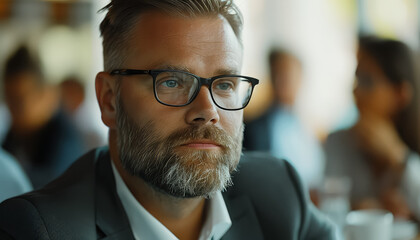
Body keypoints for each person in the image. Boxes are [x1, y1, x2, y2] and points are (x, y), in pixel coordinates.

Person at [0, 1, 335, 239]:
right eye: (172, 81)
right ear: (109, 100)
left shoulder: (278, 192)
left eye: (226, 84)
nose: (208, 110)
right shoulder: (39, 230)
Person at [325, 36, 420, 220]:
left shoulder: (410, 152)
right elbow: (330, 205)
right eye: (356, 80)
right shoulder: (338, 142)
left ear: (401, 94)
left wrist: (398, 158)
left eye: (367, 81)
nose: (356, 92)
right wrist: (365, 208)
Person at [1, 46, 85, 189]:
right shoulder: (17, 133)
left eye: (19, 101)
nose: (12, 110)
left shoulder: (65, 136)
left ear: (46, 95)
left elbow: (53, 183)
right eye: (9, 100)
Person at [243, 49, 325, 188]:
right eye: (277, 75)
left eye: (288, 76)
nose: (281, 83)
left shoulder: (312, 127)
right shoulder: (253, 128)